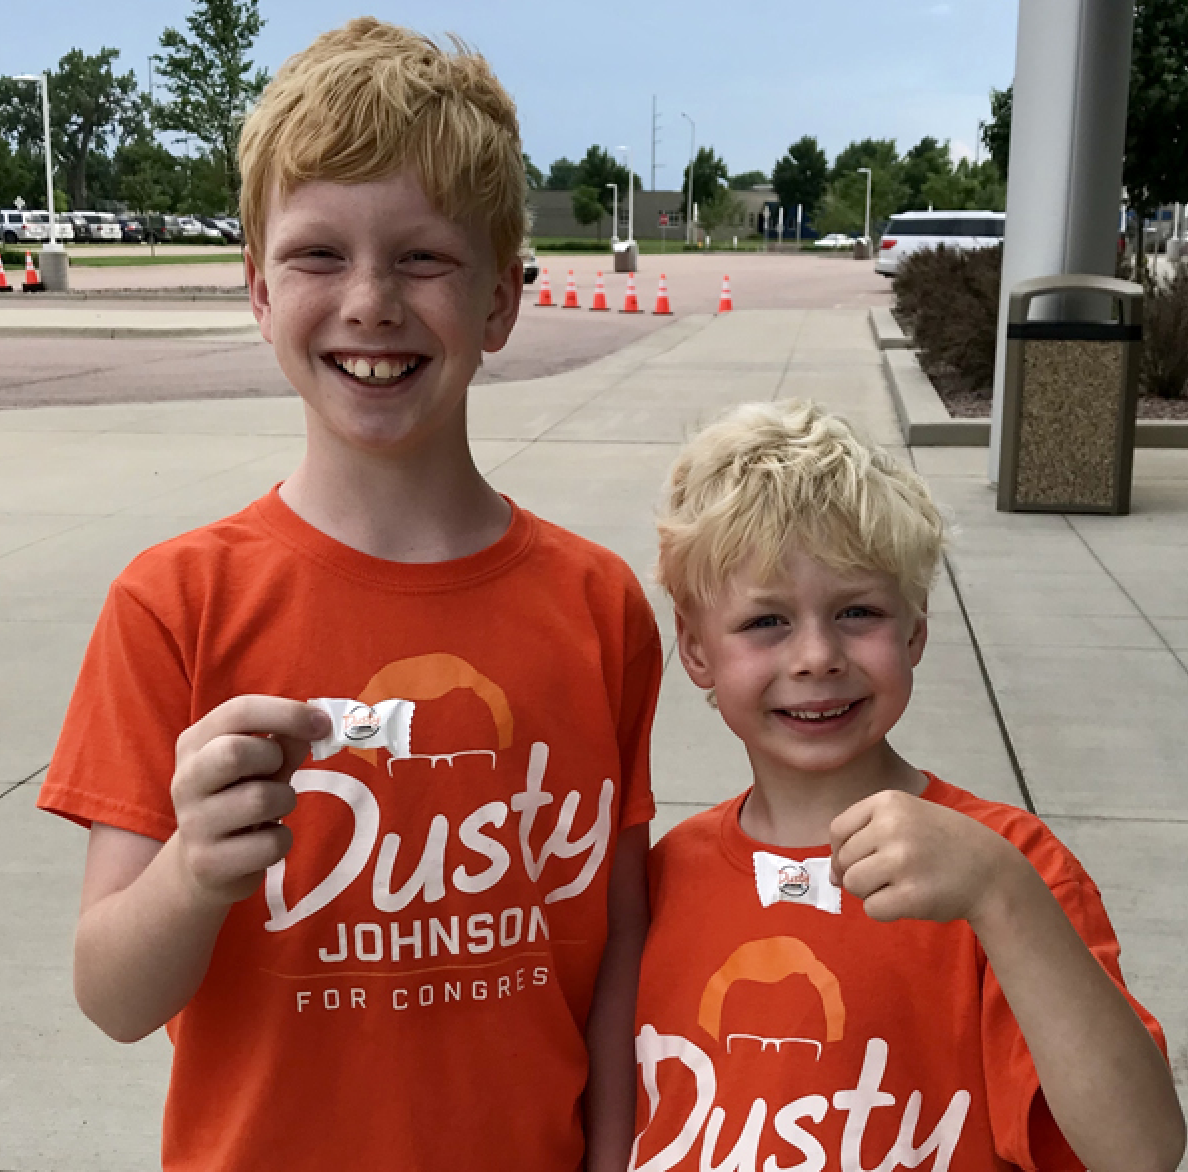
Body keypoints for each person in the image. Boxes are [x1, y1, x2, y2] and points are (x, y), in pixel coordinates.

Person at [38, 19, 659, 1172]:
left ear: (500, 300)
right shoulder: (174, 604)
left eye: (422, 258)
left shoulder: (598, 606)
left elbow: (616, 946)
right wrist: (191, 871)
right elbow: (113, 994)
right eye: (319, 254)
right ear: (258, 289)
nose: (370, 301)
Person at [629, 400, 1184, 1172]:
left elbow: (1140, 1150)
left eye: (858, 611)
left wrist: (1002, 896)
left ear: (915, 630)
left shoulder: (1006, 863)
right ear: (695, 652)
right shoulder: (664, 877)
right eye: (766, 622)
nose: (817, 656)